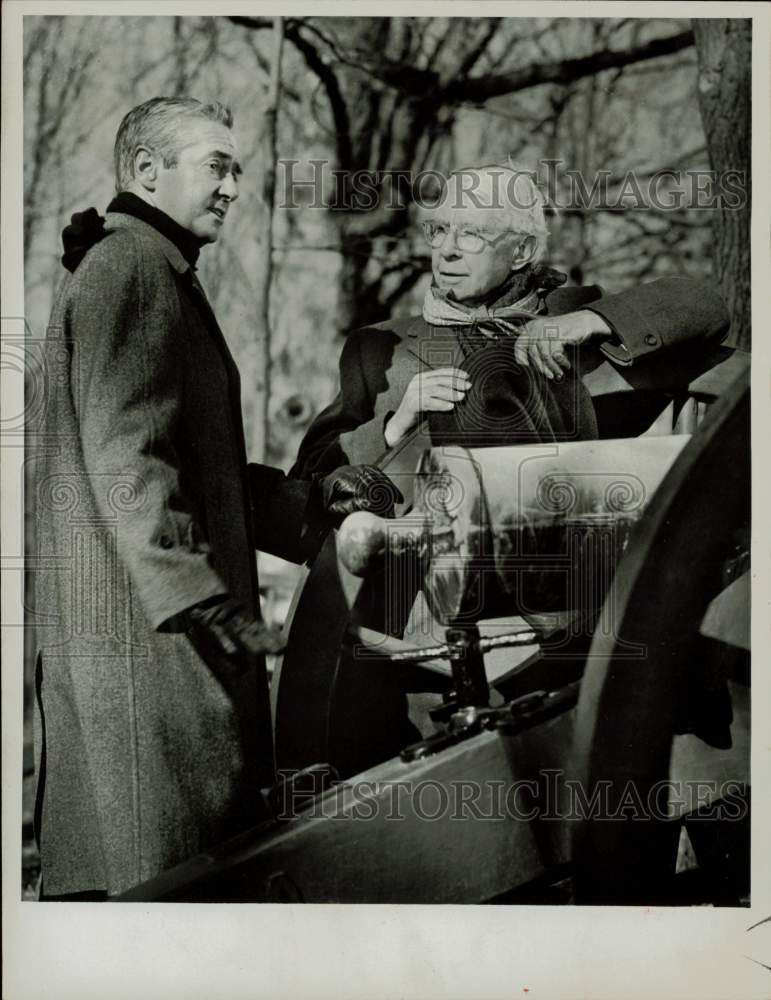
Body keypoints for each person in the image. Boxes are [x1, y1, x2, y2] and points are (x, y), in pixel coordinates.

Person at [31, 96, 399, 899]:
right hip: (151, 657)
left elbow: (203, 472)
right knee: (169, 898)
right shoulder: (131, 269)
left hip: (149, 650)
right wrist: (207, 605)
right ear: (146, 171)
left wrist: (313, 510)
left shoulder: (148, 270)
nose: (234, 186)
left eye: (239, 169)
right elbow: (128, 460)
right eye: (216, 166)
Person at [291, 165, 730, 477]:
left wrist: (590, 320)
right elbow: (310, 469)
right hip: (429, 587)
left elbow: (703, 305)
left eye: (471, 234)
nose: (447, 250)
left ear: (520, 252)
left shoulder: (575, 315)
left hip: (575, 576)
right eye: (439, 231)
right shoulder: (378, 348)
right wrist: (394, 427)